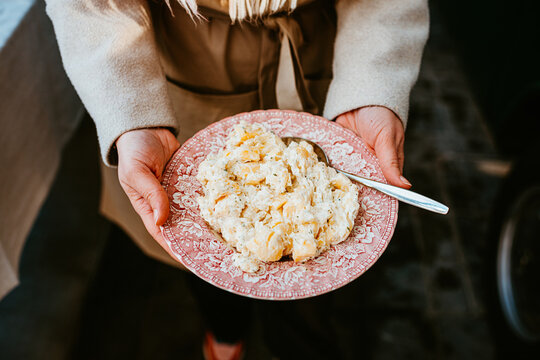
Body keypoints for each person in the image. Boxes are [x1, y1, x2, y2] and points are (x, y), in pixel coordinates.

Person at [45, 0, 429, 358]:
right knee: (204, 258)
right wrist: (132, 113)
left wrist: (371, 87)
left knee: (311, 295)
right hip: (182, 70)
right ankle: (225, 334)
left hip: (325, 65)